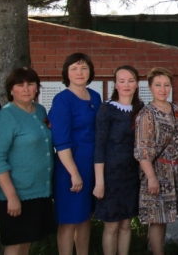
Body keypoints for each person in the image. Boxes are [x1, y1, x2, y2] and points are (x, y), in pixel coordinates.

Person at [0, 67, 57, 255]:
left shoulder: (40, 110)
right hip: (16, 194)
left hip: (39, 191)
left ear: (37, 87)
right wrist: (11, 196)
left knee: (27, 242)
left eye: (30, 84)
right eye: (20, 85)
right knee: (15, 244)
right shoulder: (7, 116)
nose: (26, 89)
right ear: (11, 90)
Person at [49, 53, 102, 255]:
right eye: (74, 68)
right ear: (66, 73)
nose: (79, 73)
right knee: (69, 220)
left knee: (85, 217)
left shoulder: (95, 97)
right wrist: (73, 172)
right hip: (71, 167)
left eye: (84, 68)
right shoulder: (62, 100)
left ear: (90, 72)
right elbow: (61, 142)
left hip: (92, 166)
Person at [135, 67, 178, 255]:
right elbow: (142, 149)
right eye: (158, 85)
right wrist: (151, 177)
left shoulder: (176, 110)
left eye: (166, 85)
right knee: (156, 219)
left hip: (174, 172)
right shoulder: (147, 114)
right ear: (150, 87)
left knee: (164, 218)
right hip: (156, 171)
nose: (162, 89)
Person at [93, 66, 144, 255]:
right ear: (115, 84)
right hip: (111, 176)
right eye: (121, 81)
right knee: (112, 226)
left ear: (137, 83)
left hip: (132, 176)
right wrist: (99, 182)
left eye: (130, 80)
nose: (126, 85)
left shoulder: (142, 109)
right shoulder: (107, 109)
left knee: (125, 225)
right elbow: (99, 146)